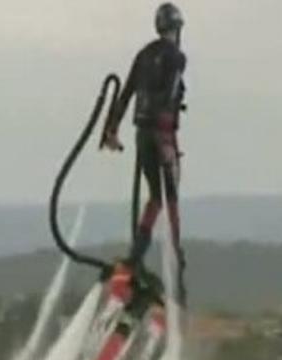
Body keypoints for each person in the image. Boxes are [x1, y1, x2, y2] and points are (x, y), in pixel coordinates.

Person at [102, 2, 188, 304]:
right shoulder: (177, 57)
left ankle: (133, 259)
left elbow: (125, 94)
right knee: (171, 199)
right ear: (176, 28)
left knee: (155, 196)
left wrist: (110, 130)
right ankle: (178, 277)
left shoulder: (143, 55)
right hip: (162, 135)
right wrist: (167, 139)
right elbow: (171, 93)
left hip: (141, 136)